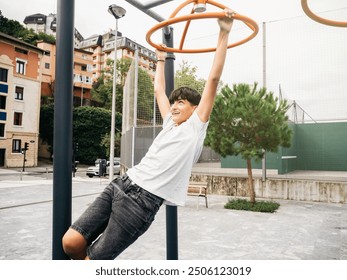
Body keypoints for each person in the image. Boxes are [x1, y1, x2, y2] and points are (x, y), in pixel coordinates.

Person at [62, 9, 235, 260]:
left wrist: (223, 32)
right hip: (122, 185)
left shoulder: (195, 127)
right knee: (71, 243)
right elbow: (158, 90)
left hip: (141, 204)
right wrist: (161, 59)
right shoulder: (169, 122)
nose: (174, 106)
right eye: (174, 102)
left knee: (96, 262)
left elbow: (213, 79)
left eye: (181, 103)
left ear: (195, 109)